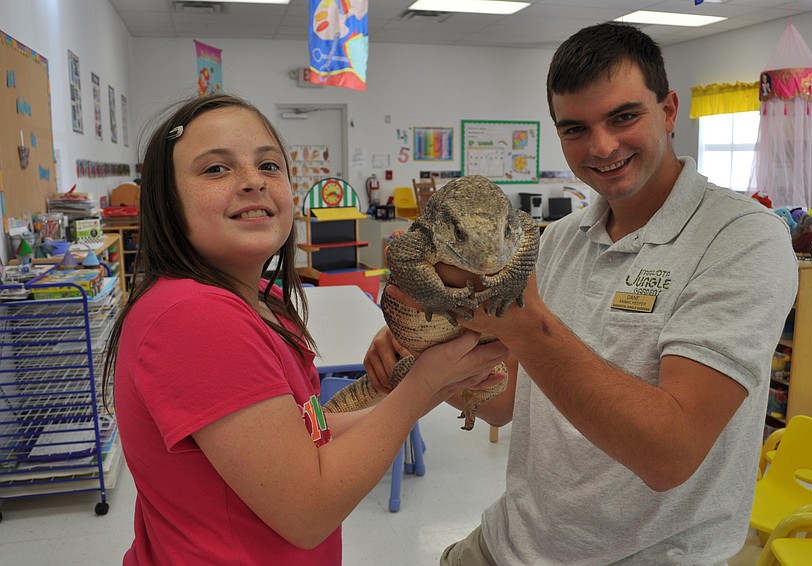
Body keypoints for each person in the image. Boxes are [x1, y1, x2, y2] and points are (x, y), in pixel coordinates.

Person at [365, 23, 799, 565]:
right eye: (575, 128)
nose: (602, 146)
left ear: (668, 111)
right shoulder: (561, 239)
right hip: (508, 542)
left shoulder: (744, 239)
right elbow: (506, 400)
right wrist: (425, 352)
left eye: (624, 117)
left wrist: (521, 323)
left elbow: (670, 454)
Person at [102, 93, 509, 565]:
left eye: (269, 165)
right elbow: (308, 513)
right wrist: (422, 384)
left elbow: (302, 436)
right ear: (165, 200)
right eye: (216, 169)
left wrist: (440, 383)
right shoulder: (193, 315)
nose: (253, 180)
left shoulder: (262, 300)